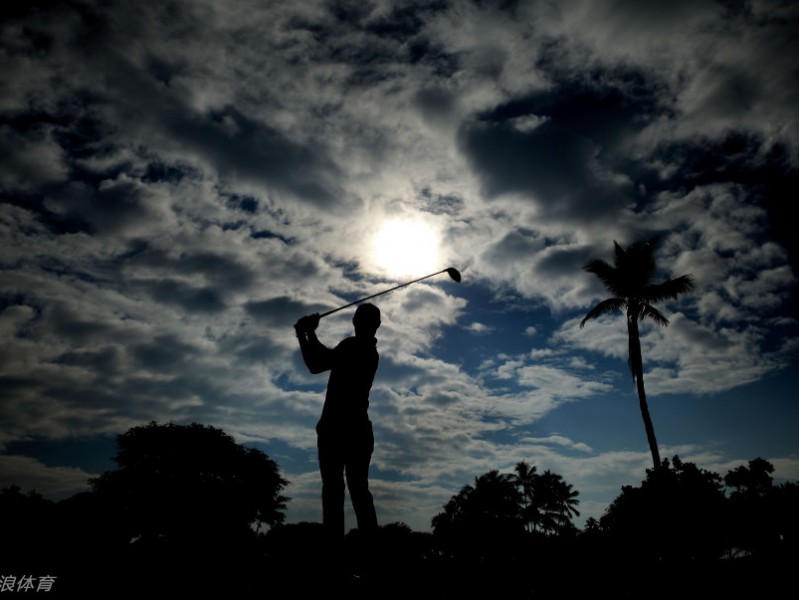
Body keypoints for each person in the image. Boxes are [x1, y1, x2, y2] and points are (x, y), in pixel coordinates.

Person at [294, 303, 381, 542]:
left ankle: (338, 562)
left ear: (355, 321)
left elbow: (317, 363)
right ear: (377, 325)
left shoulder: (353, 347)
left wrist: (306, 333)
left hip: (338, 431)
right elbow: (318, 363)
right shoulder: (366, 351)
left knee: (336, 494)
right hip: (357, 432)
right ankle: (371, 558)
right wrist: (306, 333)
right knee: (357, 493)